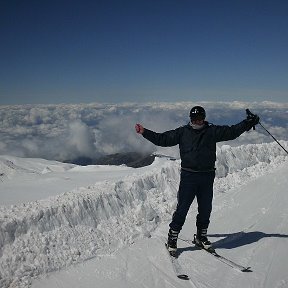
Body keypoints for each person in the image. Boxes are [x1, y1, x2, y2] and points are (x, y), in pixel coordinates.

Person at [135, 106, 259, 256]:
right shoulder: (182, 132)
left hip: (207, 176)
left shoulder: (212, 131)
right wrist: (144, 132)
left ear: (204, 118)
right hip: (189, 177)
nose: (197, 121)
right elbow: (162, 139)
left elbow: (232, 132)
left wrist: (247, 122)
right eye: (194, 119)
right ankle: (172, 238)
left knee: (205, 209)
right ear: (190, 119)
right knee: (183, 208)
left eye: (200, 118)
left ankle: (201, 236)